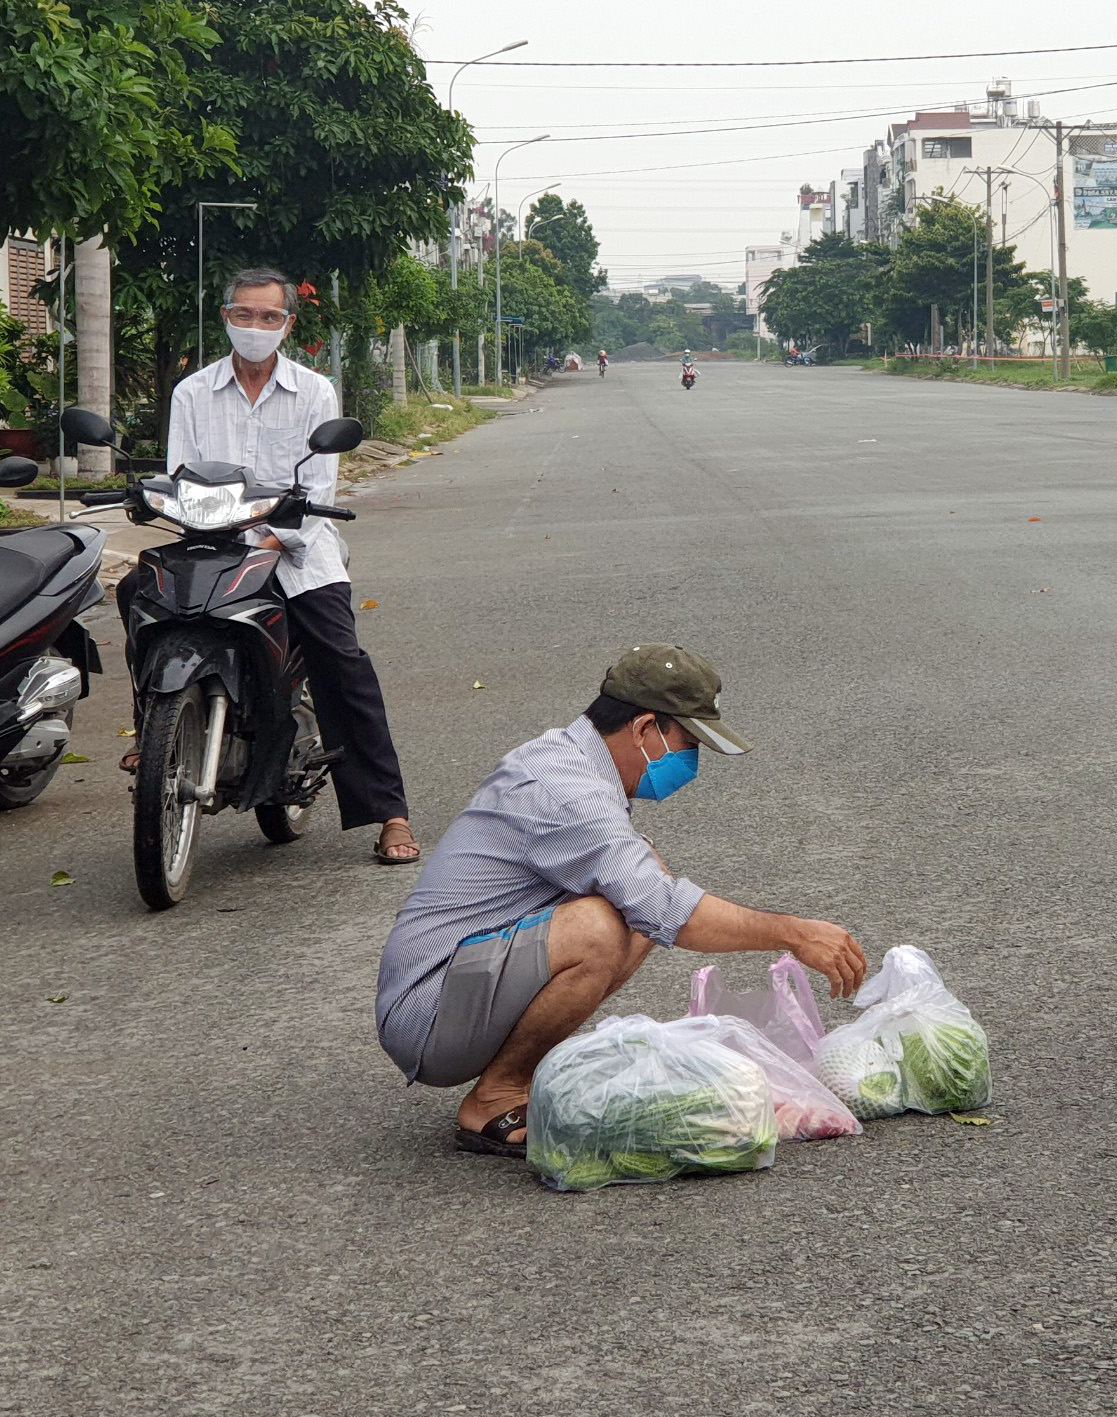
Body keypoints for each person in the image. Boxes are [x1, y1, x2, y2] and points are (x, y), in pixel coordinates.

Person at [375, 643, 868, 1156]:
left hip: (463, 981)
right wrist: (794, 933)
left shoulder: (572, 759)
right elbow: (669, 910)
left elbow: (652, 899)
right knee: (601, 925)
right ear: (644, 729)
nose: (691, 761)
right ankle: (497, 1096)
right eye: (688, 742)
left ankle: (525, 1072)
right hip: (427, 1010)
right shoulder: (564, 789)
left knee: (637, 884)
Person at [127, 266, 417, 863]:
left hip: (296, 555)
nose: (255, 327)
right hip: (212, 547)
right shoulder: (192, 393)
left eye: (268, 317)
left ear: (288, 324)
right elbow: (181, 479)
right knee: (139, 599)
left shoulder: (315, 392)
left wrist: (269, 543)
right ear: (226, 317)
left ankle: (389, 811)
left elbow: (315, 491)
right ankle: (156, 730)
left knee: (341, 660)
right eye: (243, 315)